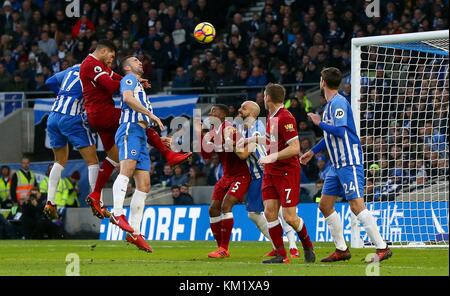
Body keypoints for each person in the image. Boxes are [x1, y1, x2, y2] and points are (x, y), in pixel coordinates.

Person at [80, 40, 192, 219]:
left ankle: (95, 195)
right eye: (112, 56)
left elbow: (117, 78)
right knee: (134, 119)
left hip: (99, 115)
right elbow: (112, 85)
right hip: (101, 112)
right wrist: (132, 81)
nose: (112, 60)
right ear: (104, 51)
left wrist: (134, 80)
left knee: (114, 157)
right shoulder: (91, 64)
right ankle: (167, 153)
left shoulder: (100, 66)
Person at [300, 67, 392, 263]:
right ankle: (341, 249)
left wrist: (319, 123)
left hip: (349, 162)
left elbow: (341, 132)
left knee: (356, 205)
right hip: (336, 165)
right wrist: (312, 151)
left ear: (323, 82)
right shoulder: (329, 105)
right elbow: (330, 136)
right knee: (325, 205)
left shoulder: (339, 102)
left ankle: (382, 247)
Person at [257, 83, 316, 264]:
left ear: (268, 97)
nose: (263, 97)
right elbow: (273, 140)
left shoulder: (285, 117)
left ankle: (307, 246)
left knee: (290, 217)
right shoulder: (271, 115)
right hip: (271, 172)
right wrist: (254, 139)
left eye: (264, 94)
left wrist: (272, 157)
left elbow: (294, 148)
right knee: (269, 212)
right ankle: (281, 255)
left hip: (286, 173)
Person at [235, 101, 300, 258]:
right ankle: (280, 245)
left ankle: (289, 245)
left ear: (252, 112)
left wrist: (230, 142)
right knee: (265, 212)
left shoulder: (258, 129)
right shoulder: (246, 130)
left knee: (273, 212)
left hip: (266, 173)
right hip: (257, 175)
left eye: (243, 108)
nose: (239, 110)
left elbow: (243, 154)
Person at [109, 55, 159, 252]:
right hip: (130, 129)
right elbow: (127, 98)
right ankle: (117, 213)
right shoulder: (128, 79)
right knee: (126, 171)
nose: (140, 62)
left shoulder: (138, 84)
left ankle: (134, 233)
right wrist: (150, 115)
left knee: (144, 185)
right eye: (136, 61)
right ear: (128, 67)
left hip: (140, 134)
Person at [42, 64, 100, 220]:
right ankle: (96, 200)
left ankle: (50, 201)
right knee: (92, 161)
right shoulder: (95, 71)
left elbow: (50, 82)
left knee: (59, 161)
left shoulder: (73, 69)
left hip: (53, 115)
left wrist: (61, 96)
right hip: (71, 117)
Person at [195, 104, 251, 259]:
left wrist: (230, 142)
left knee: (226, 206)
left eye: (214, 111)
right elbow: (206, 156)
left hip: (241, 175)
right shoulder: (214, 132)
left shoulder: (230, 129)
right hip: (226, 176)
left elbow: (243, 151)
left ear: (222, 115)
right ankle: (221, 248)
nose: (211, 113)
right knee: (213, 209)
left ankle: (224, 248)